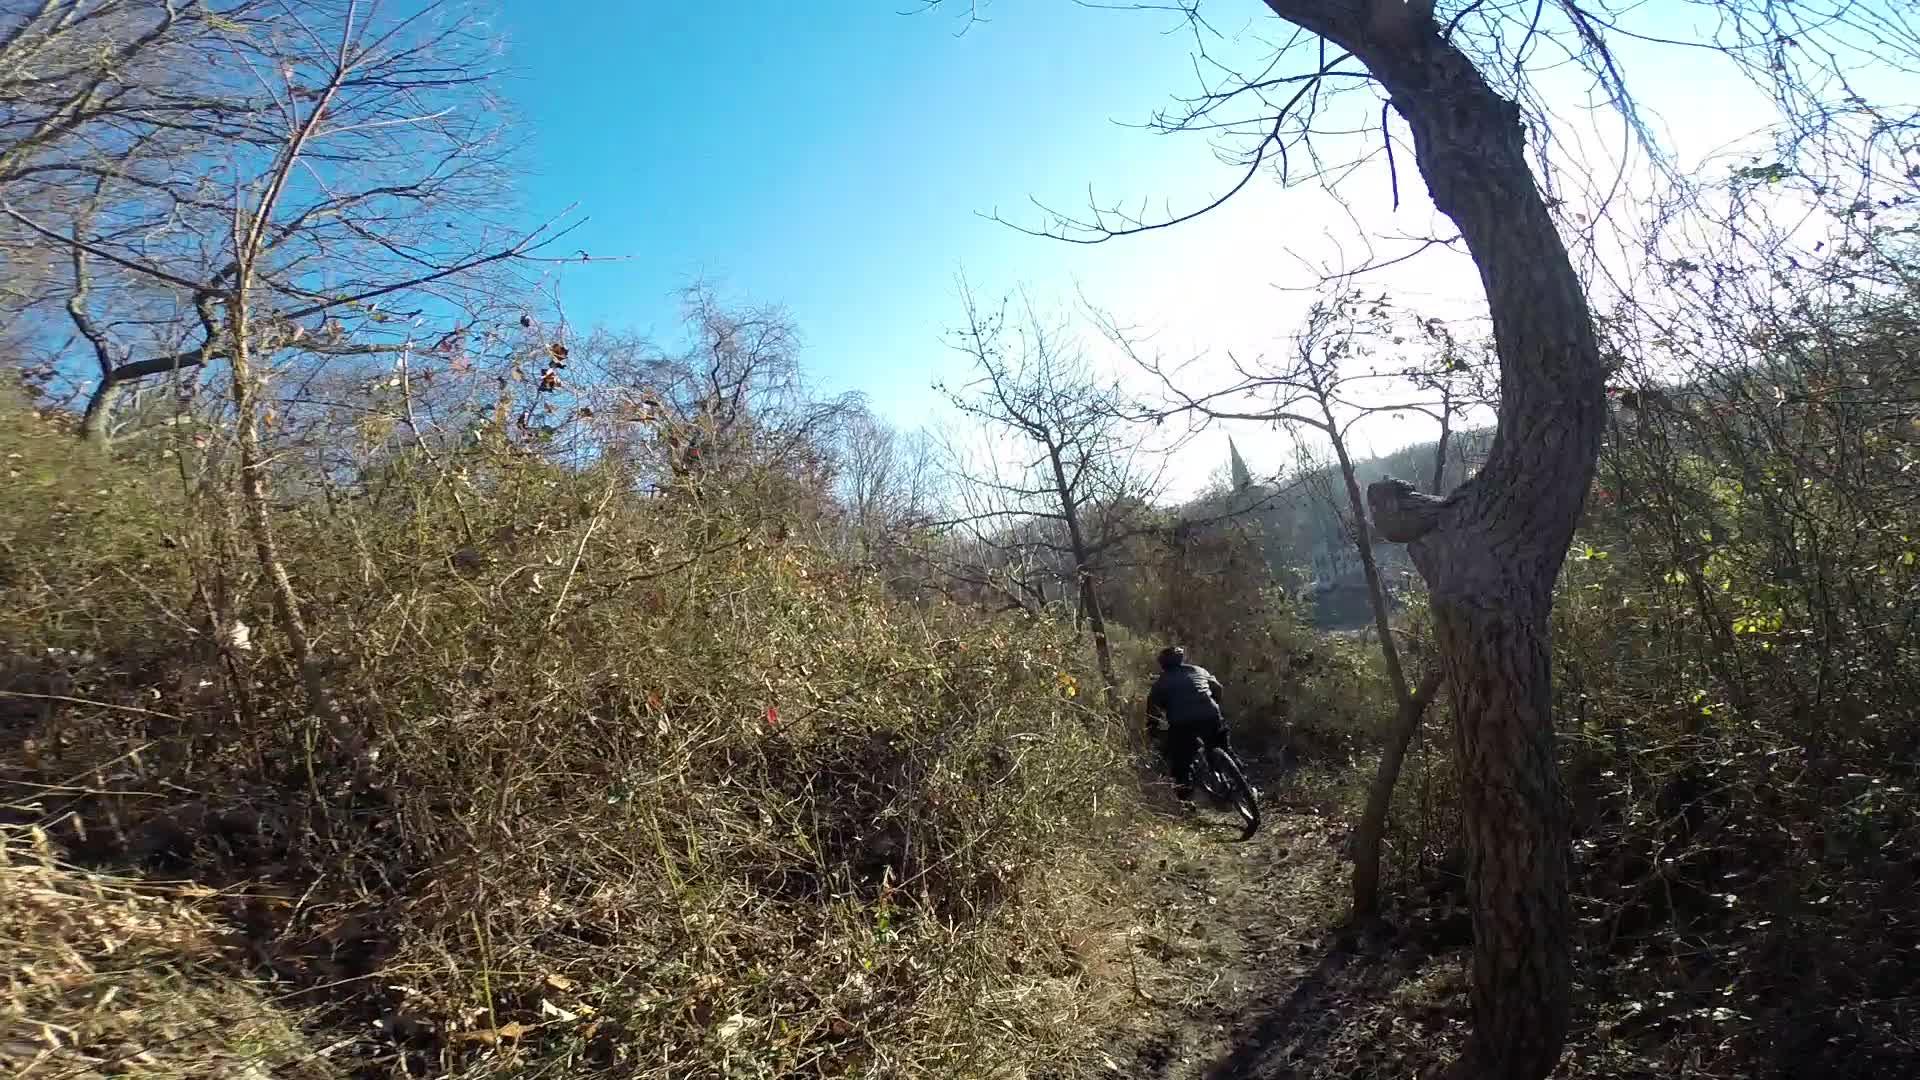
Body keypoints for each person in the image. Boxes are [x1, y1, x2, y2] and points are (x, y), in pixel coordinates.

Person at [1145, 645, 1231, 803]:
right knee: (1223, 747)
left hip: (1182, 723)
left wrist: (1153, 728)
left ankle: (1186, 804)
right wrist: (1214, 704)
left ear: (1162, 664)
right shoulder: (1198, 670)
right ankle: (1243, 783)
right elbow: (1218, 688)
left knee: (1181, 764)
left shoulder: (1160, 683)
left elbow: (1152, 711)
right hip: (1210, 715)